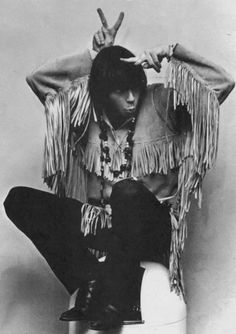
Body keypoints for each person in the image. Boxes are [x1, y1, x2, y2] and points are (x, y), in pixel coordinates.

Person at [3, 8, 234, 331]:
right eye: (119, 90)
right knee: (18, 200)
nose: (130, 98)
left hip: (151, 231)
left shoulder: (163, 104)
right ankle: (90, 279)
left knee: (126, 190)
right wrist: (96, 58)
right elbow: (40, 81)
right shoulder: (85, 118)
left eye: (135, 88)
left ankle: (118, 297)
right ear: (100, 93)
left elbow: (222, 84)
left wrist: (172, 52)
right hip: (103, 232)